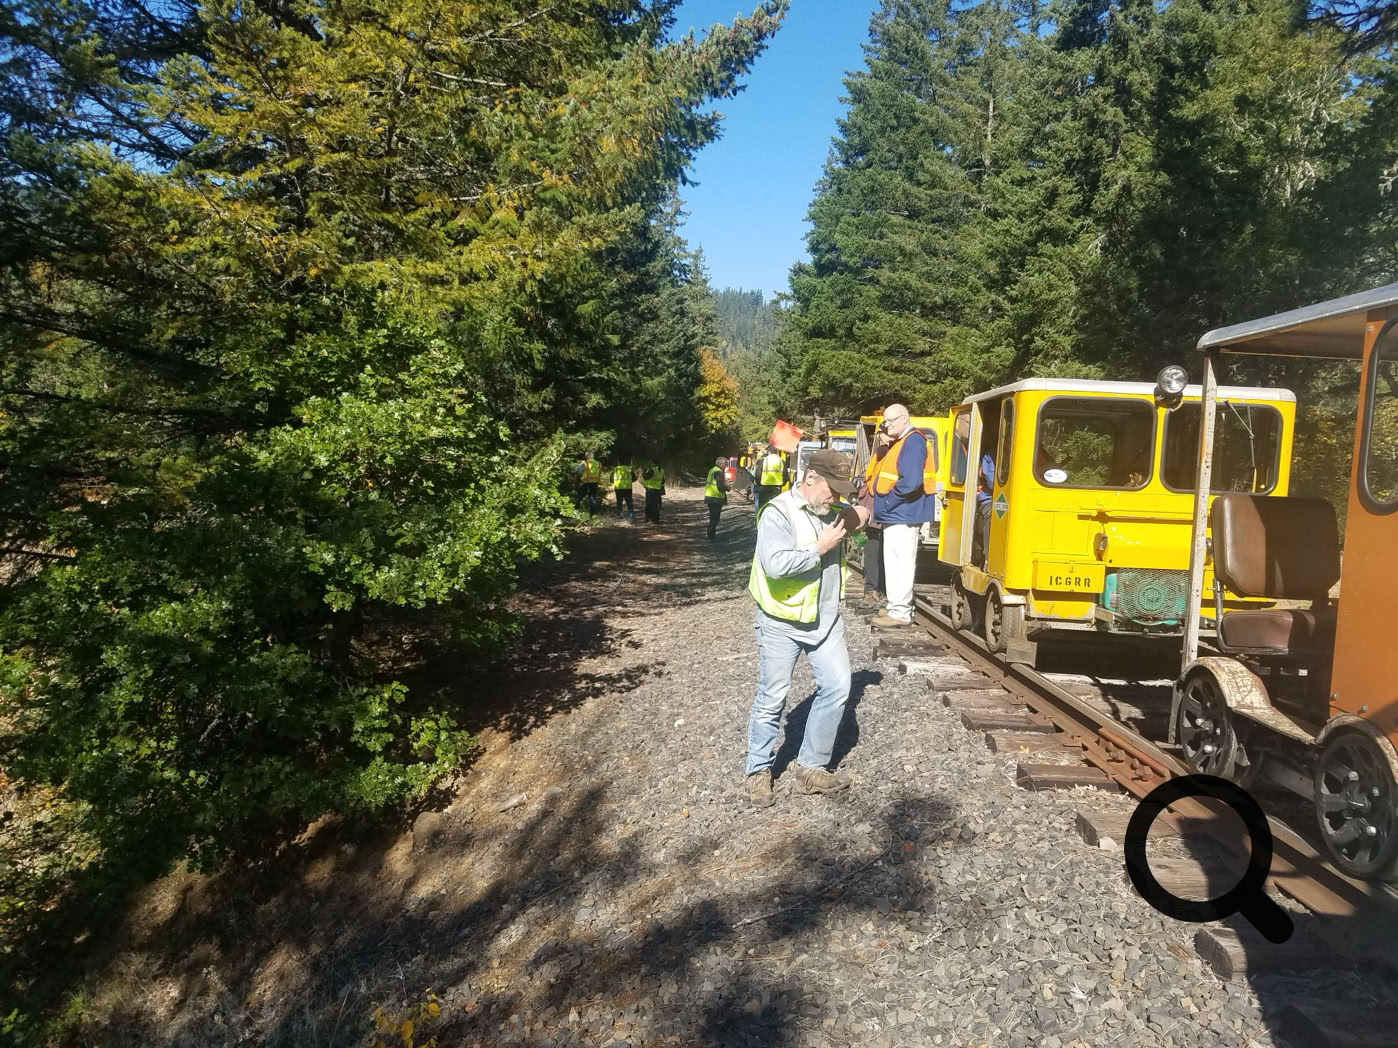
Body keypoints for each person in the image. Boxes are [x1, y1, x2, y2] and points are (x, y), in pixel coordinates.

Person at [746, 450, 870, 807]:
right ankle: (758, 771)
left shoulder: (832, 508)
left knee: (838, 687)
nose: (836, 497)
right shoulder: (778, 513)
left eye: (841, 491)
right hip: (780, 621)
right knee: (772, 697)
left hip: (825, 619)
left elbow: (861, 517)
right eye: (832, 489)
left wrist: (861, 513)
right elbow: (774, 565)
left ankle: (811, 768)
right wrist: (819, 548)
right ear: (810, 478)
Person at [870, 404, 938, 628]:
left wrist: (889, 502)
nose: (887, 426)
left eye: (891, 421)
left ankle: (900, 612)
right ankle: (896, 607)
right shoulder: (903, 441)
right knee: (895, 562)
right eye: (886, 422)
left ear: (904, 418)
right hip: (899, 513)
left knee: (900, 563)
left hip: (903, 513)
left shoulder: (913, 441)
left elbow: (910, 482)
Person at [856, 439, 888, 608]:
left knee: (876, 553)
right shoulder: (880, 454)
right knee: (874, 552)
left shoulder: (886, 454)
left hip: (882, 511)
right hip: (875, 511)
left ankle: (876, 590)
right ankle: (874, 589)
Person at [972, 453, 994, 569]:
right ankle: (987, 558)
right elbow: (992, 482)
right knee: (992, 514)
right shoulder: (990, 456)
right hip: (989, 499)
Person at [754, 444, 786, 517]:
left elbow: (758, 475)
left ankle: (761, 521)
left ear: (769, 451)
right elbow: (785, 476)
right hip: (777, 488)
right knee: (776, 508)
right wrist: (781, 484)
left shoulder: (763, 460)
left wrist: (759, 484)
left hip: (764, 487)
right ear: (776, 451)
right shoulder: (781, 461)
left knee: (763, 508)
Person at [705, 456, 728, 539]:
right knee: (715, 518)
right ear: (721, 464)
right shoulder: (718, 472)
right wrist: (727, 488)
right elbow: (720, 486)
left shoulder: (712, 470)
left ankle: (711, 534)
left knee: (713, 517)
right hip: (715, 498)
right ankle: (711, 535)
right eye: (725, 464)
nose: (726, 466)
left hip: (710, 496)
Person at [578, 451, 603, 516]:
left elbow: (578, 471)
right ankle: (592, 515)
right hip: (595, 484)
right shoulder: (598, 463)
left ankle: (575, 512)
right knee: (592, 500)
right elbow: (599, 472)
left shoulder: (585, 463)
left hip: (586, 483)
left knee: (578, 497)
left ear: (587, 456)